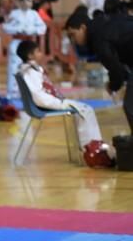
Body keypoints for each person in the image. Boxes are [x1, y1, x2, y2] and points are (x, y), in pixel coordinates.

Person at [16, 40, 115, 168]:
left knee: (85, 109)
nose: (41, 53)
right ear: (30, 56)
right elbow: (38, 96)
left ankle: (93, 147)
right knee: (86, 109)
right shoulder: (30, 72)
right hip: (45, 103)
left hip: (47, 101)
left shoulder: (29, 69)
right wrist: (60, 102)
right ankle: (93, 151)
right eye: (38, 51)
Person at [65, 6, 133, 132]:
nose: (73, 40)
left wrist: (113, 85)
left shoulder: (98, 37)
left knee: (130, 106)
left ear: (83, 27)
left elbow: (115, 69)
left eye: (73, 35)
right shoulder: (102, 23)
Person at [3, 0, 47, 98]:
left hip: (29, 44)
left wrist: (33, 30)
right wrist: (18, 29)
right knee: (14, 67)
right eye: (27, 0)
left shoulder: (34, 14)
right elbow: (6, 27)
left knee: (30, 67)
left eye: (31, 1)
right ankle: (12, 92)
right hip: (17, 42)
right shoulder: (14, 14)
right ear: (21, 2)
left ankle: (29, 91)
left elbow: (43, 28)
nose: (30, 3)